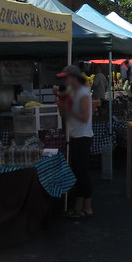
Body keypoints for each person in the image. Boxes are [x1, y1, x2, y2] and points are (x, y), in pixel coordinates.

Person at [54, 65, 94, 219]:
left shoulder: (83, 93)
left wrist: (68, 109)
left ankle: (87, 207)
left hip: (83, 137)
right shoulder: (75, 92)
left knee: (82, 173)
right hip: (76, 136)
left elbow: (84, 117)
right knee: (77, 173)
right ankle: (79, 206)